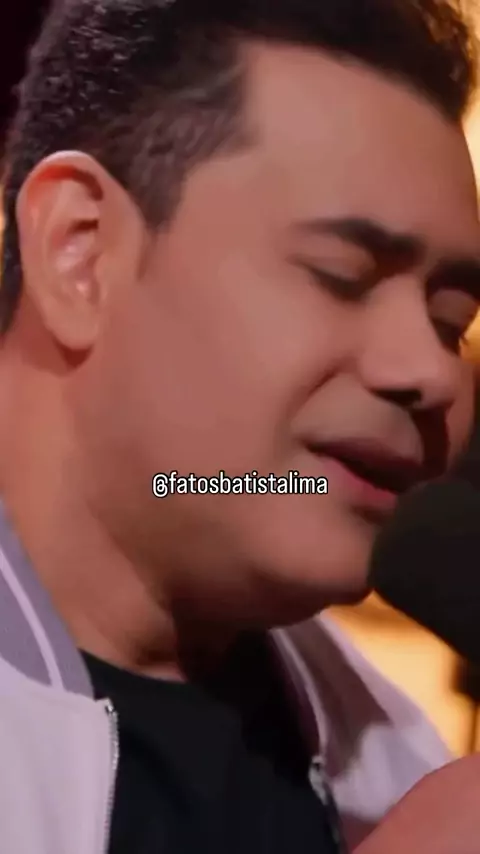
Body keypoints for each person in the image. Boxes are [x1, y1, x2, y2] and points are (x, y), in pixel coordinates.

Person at [0, 0, 479, 852]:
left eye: (452, 321)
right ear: (80, 249)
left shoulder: (390, 756)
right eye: (342, 274)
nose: (433, 372)